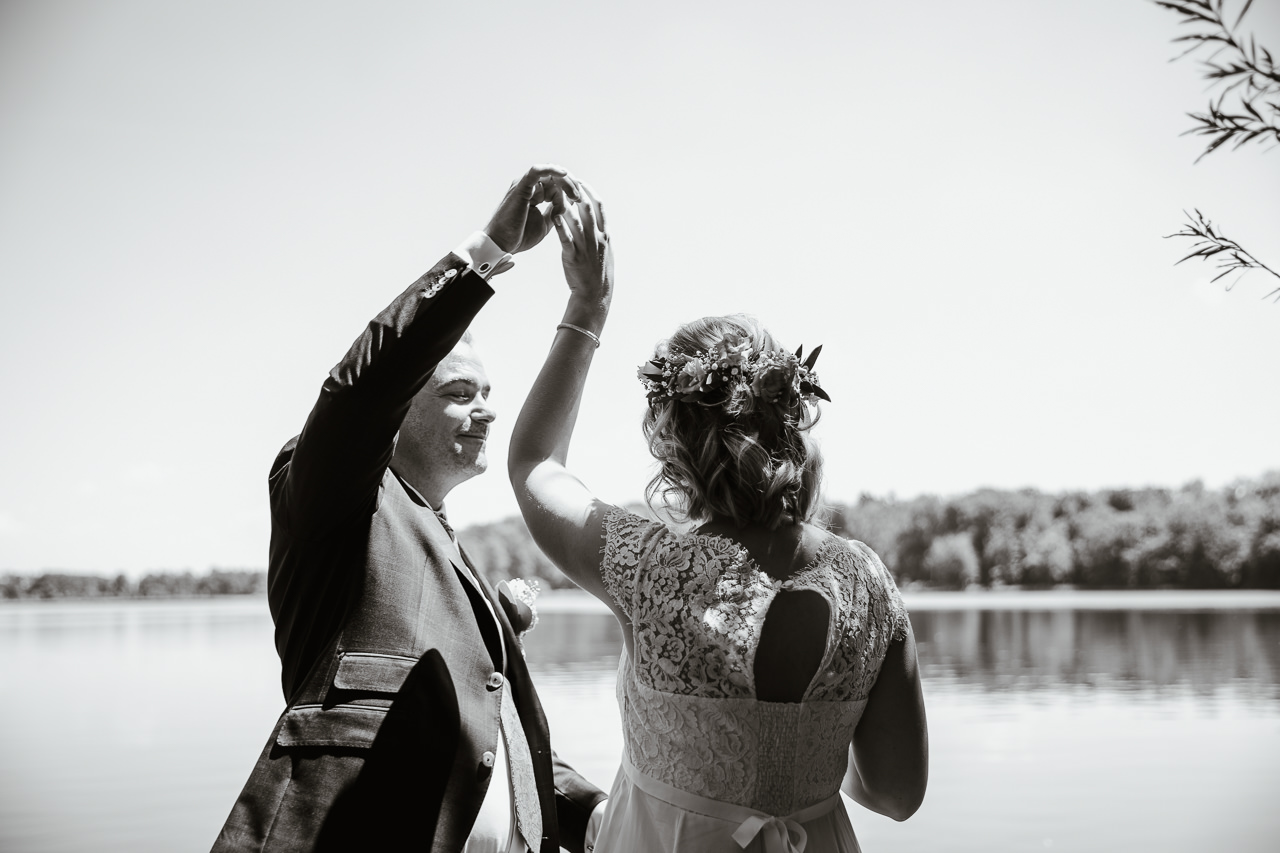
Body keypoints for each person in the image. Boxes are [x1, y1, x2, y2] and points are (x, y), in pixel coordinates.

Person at [507, 195, 928, 851]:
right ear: (792, 418)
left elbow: (534, 462)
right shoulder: (867, 584)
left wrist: (588, 306)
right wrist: (812, 751)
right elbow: (899, 795)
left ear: (673, 440)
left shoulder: (647, 567)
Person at [213, 166, 608, 853]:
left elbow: (493, 741)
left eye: (487, 393)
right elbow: (361, 392)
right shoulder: (338, 503)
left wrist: (592, 811)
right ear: (398, 411)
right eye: (460, 392)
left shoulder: (448, 548)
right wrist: (488, 251)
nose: (487, 410)